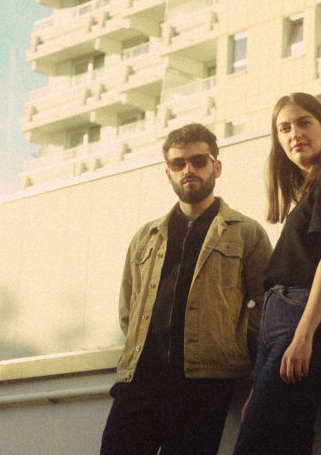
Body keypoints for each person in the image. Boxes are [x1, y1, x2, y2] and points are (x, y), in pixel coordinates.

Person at [101, 123, 273, 455]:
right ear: (168, 173)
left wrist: (231, 336)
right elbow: (129, 310)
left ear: (216, 166)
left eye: (198, 160)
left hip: (203, 385)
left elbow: (269, 305)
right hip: (139, 381)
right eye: (178, 164)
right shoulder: (145, 236)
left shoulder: (246, 233)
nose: (188, 170)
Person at [233, 93, 321, 455]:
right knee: (287, 443)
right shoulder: (307, 195)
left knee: (255, 446)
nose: (294, 133)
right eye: (284, 128)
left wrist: (303, 335)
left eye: (304, 123)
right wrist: (259, 381)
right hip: (281, 327)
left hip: (307, 322)